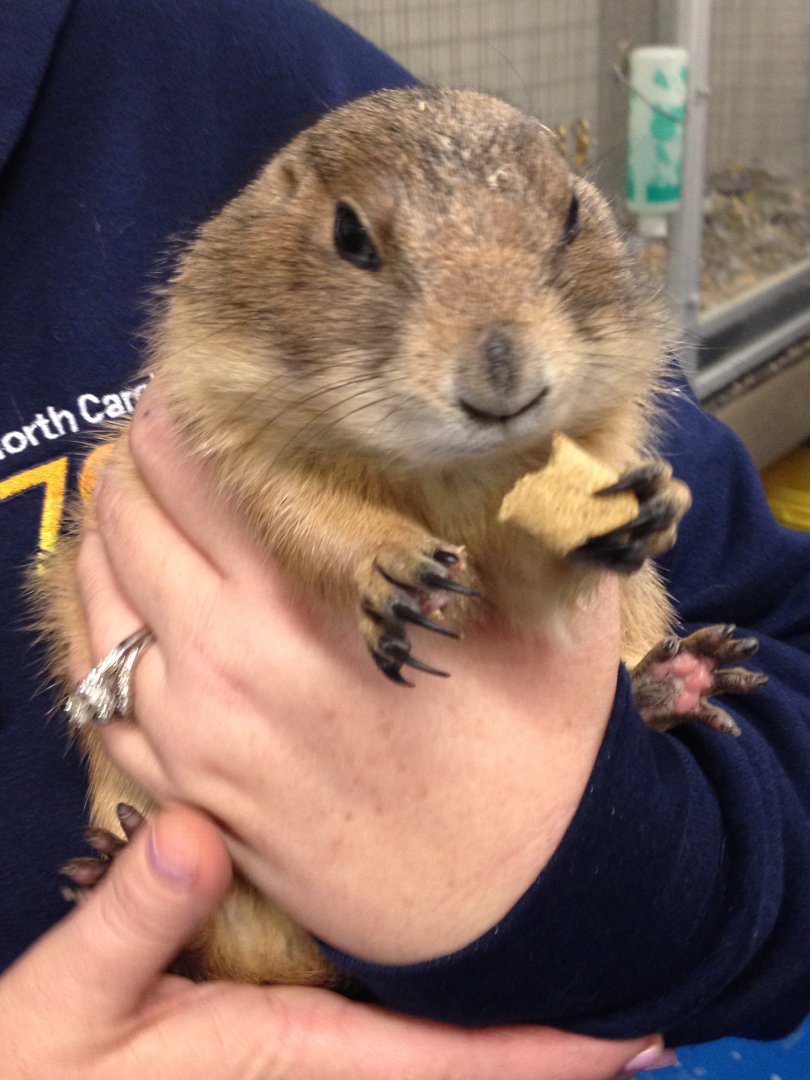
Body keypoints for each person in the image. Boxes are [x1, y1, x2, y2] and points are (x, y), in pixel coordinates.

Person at [2, 0, 810, 1075]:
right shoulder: (242, 334)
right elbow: (277, 485)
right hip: (199, 904)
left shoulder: (236, 50)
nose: (501, 361)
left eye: (562, 231)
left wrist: (627, 853)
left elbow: (768, 629)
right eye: (359, 245)